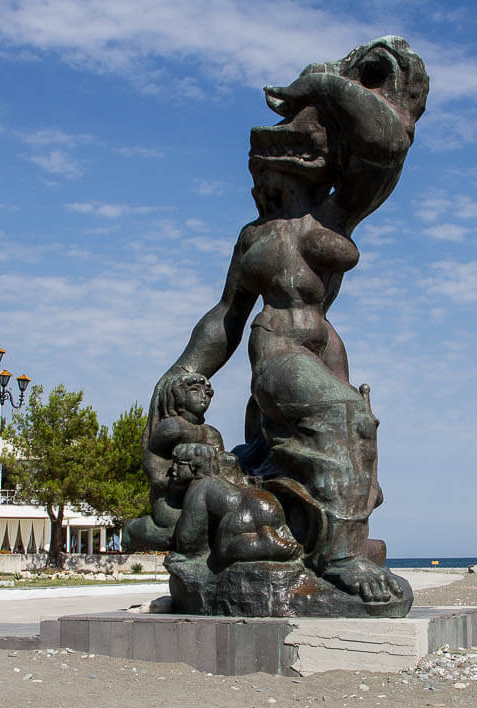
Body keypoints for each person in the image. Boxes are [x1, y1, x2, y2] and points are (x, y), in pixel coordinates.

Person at [146, 37, 428, 604]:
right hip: (277, 347)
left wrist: (325, 85)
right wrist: (183, 369)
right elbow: (227, 313)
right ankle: (342, 556)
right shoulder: (255, 237)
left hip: (324, 345)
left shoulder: (333, 212)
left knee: (354, 440)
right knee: (348, 418)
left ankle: (321, 538)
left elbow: (386, 147)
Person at [126, 372, 224, 551]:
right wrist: (167, 481)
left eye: (207, 393)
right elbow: (153, 456)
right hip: (170, 496)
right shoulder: (173, 426)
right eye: (195, 391)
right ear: (180, 398)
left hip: (202, 496)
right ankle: (133, 530)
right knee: (174, 532)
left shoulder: (212, 433)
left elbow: (220, 465)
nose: (203, 397)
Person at [168, 443, 301, 569]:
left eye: (179, 463)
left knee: (225, 549)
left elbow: (189, 535)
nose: (172, 469)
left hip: (244, 514)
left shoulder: (199, 486)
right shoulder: (217, 482)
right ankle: (269, 533)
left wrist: (184, 554)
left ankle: (266, 542)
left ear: (194, 466)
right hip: (268, 504)